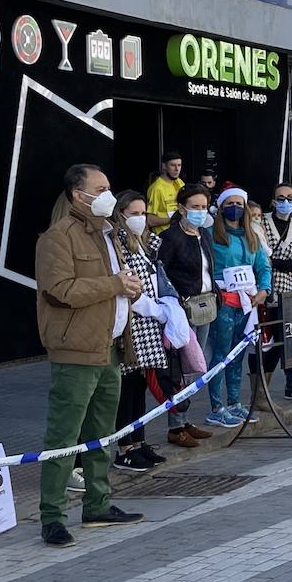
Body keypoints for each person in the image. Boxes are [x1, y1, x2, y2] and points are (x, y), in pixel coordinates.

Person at [33, 164, 147, 548]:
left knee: (101, 434)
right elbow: (59, 290)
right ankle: (52, 516)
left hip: (109, 348)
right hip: (75, 352)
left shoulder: (109, 233)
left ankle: (98, 504)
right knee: (64, 437)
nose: (107, 195)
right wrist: (115, 284)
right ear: (76, 194)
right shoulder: (58, 237)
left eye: (108, 188)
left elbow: (112, 285)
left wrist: (128, 288)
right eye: (100, 189)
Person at [149, 183, 217, 447]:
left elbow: (208, 269)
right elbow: (162, 274)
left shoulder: (204, 235)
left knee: (197, 365)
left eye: (204, 207)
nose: (200, 211)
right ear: (181, 208)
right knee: (180, 368)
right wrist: (173, 303)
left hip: (206, 305)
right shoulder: (170, 237)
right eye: (194, 207)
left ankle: (185, 419)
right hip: (182, 311)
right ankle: (176, 426)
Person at [108, 191, 172, 473]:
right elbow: (129, 286)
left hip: (148, 326)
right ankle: (124, 449)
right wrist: (153, 308)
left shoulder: (146, 243)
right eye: (134, 214)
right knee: (127, 390)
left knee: (139, 387)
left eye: (143, 213)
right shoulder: (118, 243)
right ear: (121, 215)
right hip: (133, 324)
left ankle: (139, 441)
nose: (140, 219)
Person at [206, 187, 270, 426]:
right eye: (230, 203)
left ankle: (234, 402)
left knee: (238, 354)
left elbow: (263, 266)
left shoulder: (251, 235)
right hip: (223, 302)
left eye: (239, 204)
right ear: (221, 207)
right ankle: (216, 407)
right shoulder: (210, 234)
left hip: (247, 303)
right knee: (220, 353)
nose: (235, 208)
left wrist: (264, 289)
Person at [260, 183, 292, 398]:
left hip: (286, 289)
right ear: (273, 201)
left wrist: (274, 261)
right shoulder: (262, 221)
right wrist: (274, 262)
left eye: (290, 198)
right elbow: (260, 256)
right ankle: (277, 384)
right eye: (281, 198)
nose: (285, 202)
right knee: (268, 340)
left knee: (286, 336)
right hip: (263, 288)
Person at [145, 151, 184, 230]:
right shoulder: (156, 188)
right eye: (172, 165)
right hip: (163, 233)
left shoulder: (180, 183)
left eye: (179, 165)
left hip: (180, 231)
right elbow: (150, 220)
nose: (177, 169)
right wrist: (172, 220)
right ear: (164, 166)